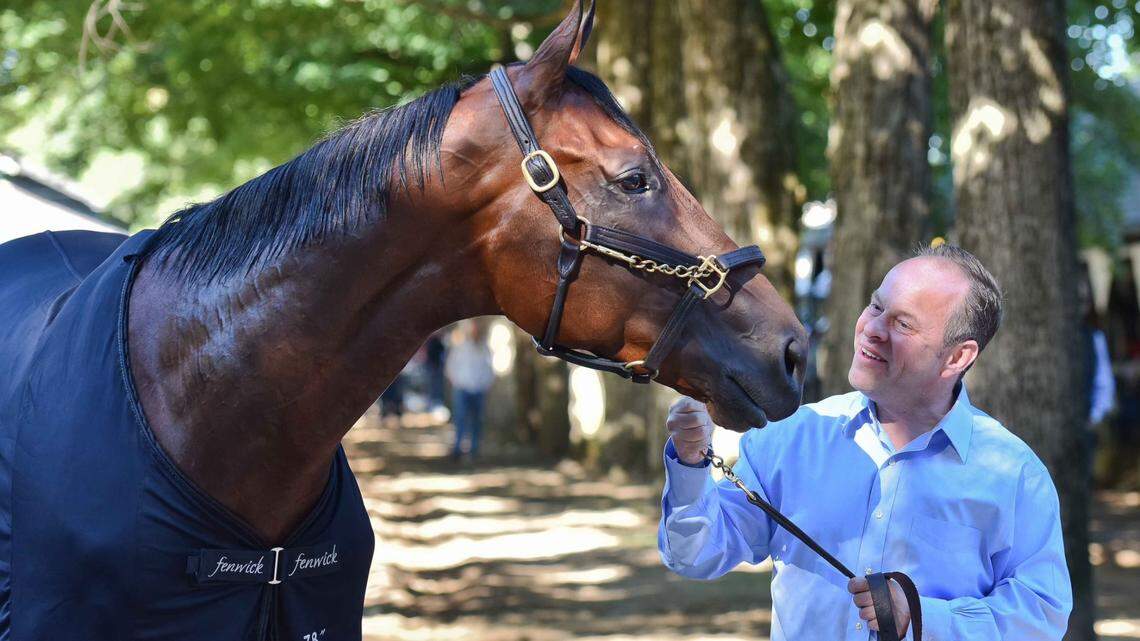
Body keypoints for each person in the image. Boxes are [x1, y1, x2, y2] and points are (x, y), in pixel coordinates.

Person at [659, 244, 1072, 639]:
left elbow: (1041, 616)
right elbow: (695, 553)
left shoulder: (1014, 473)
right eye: (876, 307)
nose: (872, 330)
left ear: (957, 357)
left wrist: (922, 618)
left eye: (903, 324)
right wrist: (691, 464)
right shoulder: (791, 437)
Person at [445, 321, 495, 461]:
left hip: (479, 390)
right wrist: (457, 382)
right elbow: (450, 367)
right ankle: (458, 448)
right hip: (462, 388)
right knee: (460, 418)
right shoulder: (460, 347)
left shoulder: (485, 348)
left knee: (477, 420)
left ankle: (474, 449)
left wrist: (485, 384)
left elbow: (489, 369)